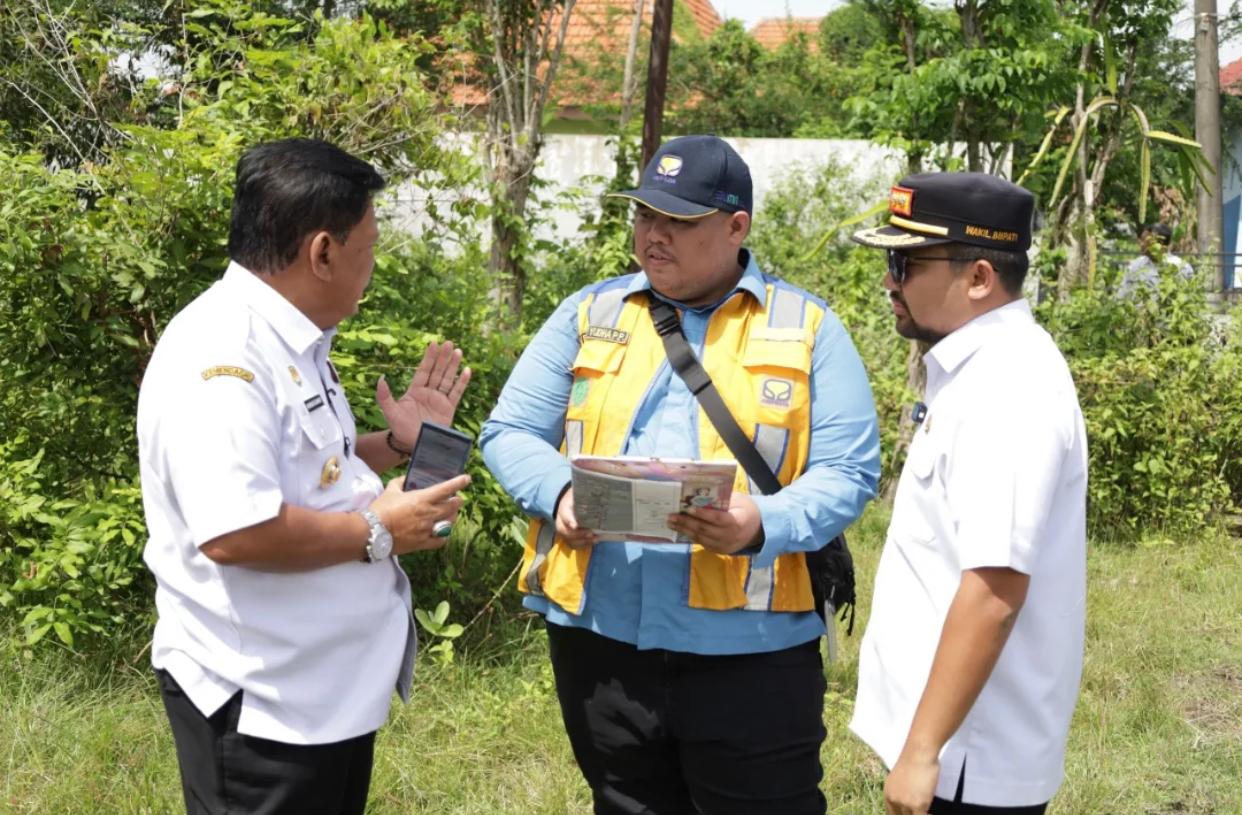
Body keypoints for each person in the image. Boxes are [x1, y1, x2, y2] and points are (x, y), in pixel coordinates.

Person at [480, 135, 881, 815]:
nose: (652, 236)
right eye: (644, 216)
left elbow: (849, 470)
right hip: (601, 641)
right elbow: (509, 431)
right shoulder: (591, 313)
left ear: (736, 227)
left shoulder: (808, 326)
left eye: (678, 222)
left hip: (750, 652)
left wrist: (761, 523)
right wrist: (560, 491)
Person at [137, 138, 473, 815]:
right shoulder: (224, 356)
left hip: (320, 693)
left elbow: (307, 467)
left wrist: (395, 444)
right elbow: (236, 531)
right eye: (368, 247)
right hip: (261, 705)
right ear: (322, 251)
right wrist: (379, 529)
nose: (372, 265)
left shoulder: (293, 337)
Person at [849, 173, 1088, 815]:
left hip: (965, 762)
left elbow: (994, 591)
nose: (888, 282)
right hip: (949, 751)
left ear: (980, 277)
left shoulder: (1008, 386)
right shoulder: (976, 368)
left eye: (904, 262)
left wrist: (923, 750)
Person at [1116, 222, 1195, 297]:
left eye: (1144, 240)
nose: (1141, 244)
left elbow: (1190, 297)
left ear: (1159, 242)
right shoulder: (1135, 266)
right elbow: (1122, 296)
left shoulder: (1182, 268)